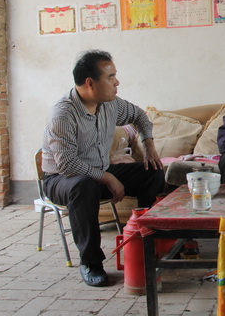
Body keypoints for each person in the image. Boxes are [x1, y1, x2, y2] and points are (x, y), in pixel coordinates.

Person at [42, 50, 165, 287]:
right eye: (111, 77)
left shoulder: (111, 105)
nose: (117, 82)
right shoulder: (63, 114)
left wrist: (149, 146)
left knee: (153, 171)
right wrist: (107, 177)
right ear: (90, 83)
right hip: (62, 179)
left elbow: (140, 116)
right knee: (83, 185)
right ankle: (91, 263)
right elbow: (67, 164)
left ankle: (147, 242)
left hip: (99, 172)